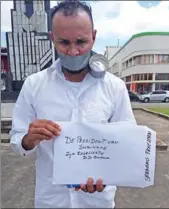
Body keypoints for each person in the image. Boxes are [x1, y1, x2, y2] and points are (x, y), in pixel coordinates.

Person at [10, 0, 137, 208]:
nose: (73, 51)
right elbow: (17, 140)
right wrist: (28, 139)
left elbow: (126, 143)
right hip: (51, 202)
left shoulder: (115, 88)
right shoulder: (34, 85)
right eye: (64, 42)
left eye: (81, 42)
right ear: (52, 38)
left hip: (97, 201)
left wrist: (106, 175)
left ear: (94, 37)